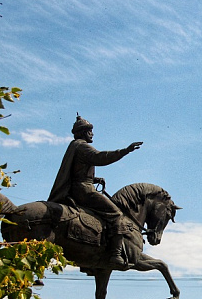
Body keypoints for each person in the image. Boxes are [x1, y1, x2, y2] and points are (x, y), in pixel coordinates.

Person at [49, 115, 142, 268]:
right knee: (116, 214)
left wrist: (95, 179)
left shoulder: (74, 146)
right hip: (83, 191)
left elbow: (77, 172)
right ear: (83, 132)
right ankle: (115, 255)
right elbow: (100, 157)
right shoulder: (83, 146)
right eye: (90, 131)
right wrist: (125, 150)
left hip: (78, 187)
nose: (92, 134)